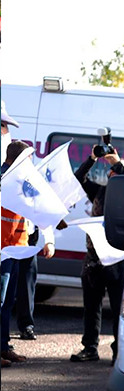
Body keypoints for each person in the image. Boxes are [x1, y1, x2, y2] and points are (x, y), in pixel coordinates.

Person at [69, 145, 124, 364]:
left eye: (115, 172)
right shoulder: (100, 191)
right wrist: (92, 158)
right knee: (91, 306)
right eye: (111, 172)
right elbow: (79, 177)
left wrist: (115, 160)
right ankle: (90, 348)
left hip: (118, 260)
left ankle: (119, 351)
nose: (111, 175)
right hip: (94, 260)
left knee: (118, 310)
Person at [2, 141, 38, 367]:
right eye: (28, 160)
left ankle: (3, 347)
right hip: (3, 250)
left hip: (15, 249)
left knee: (7, 303)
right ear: (17, 159)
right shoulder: (4, 179)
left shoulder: (17, 180)